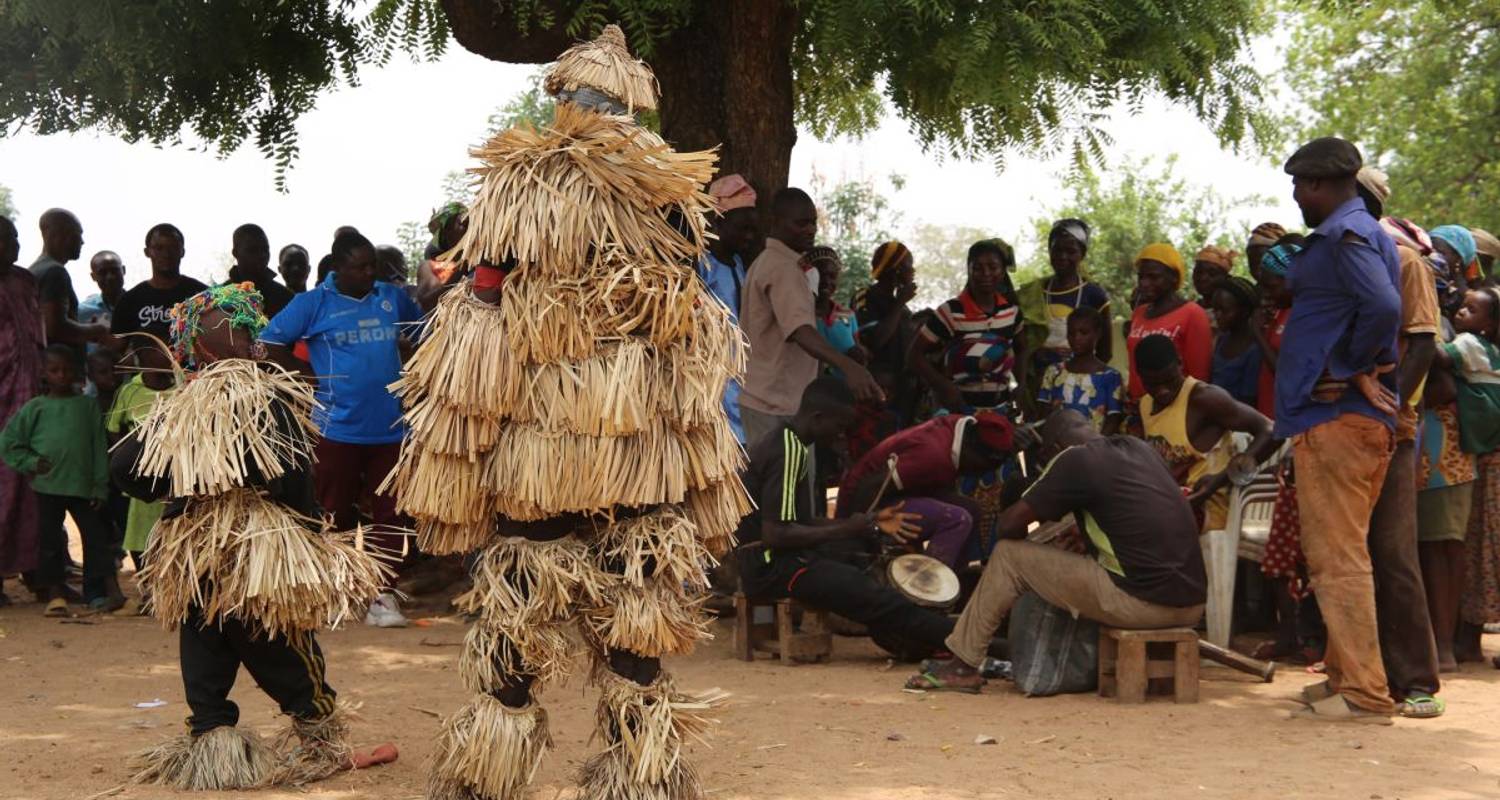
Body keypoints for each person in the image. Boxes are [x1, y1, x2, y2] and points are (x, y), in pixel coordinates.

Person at [112, 284, 395, 788]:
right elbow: (291, 474)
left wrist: (183, 486)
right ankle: (318, 735)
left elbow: (127, 466)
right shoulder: (262, 400)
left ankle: (211, 739)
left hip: (197, 545)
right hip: (258, 546)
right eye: (244, 333)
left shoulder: (180, 407)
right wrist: (307, 528)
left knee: (204, 638)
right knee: (280, 639)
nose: (249, 341)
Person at [905, 410, 1206, 693]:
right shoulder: (1139, 448)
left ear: (1056, 448)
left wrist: (1042, 494)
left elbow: (1008, 527)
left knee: (1009, 556)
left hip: (1142, 603)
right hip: (1192, 604)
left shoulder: (1074, 460)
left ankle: (962, 667)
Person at [1276, 136, 1402, 724]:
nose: (1297, 197)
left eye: (1301, 186)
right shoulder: (1356, 233)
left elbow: (1382, 307)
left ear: (1321, 185)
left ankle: (1365, 694)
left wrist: (1347, 365)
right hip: (1346, 419)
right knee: (1336, 554)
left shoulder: (1345, 233)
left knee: (1339, 560)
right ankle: (1342, 678)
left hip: (1335, 419)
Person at [260, 231, 422, 628]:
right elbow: (268, 343)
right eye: (361, 267)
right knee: (333, 511)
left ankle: (383, 596)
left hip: (391, 427)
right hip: (337, 429)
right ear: (337, 268)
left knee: (392, 513)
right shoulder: (313, 303)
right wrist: (309, 378)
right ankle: (336, 590)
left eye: (373, 266)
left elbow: (421, 334)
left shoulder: (390, 296)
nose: (371, 273)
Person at [738, 377, 958, 657]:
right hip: (772, 569)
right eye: (839, 427)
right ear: (818, 418)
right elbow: (775, 535)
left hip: (779, 561)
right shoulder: (787, 450)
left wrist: (867, 522)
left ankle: (936, 639)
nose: (841, 436)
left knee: (861, 573)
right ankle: (962, 643)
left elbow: (802, 521)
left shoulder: (790, 443)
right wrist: (847, 529)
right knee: (874, 595)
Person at [1355, 172, 1447, 717]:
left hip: (1390, 428)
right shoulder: (1337, 259)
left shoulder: (1404, 261)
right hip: (1338, 427)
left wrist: (1392, 406)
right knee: (1345, 557)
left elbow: (1422, 343)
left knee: (1392, 552)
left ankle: (1416, 680)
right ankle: (1362, 674)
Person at [740, 188, 881, 448]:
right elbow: (800, 331)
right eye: (801, 223)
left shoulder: (772, 262)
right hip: (775, 403)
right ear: (777, 222)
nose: (810, 230)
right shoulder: (783, 268)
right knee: (780, 484)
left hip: (769, 398)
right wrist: (848, 366)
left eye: (813, 222)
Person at [0, 344, 120, 615]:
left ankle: (98, 591)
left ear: (77, 372)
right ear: (44, 374)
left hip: (84, 487)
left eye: (67, 370)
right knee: (50, 542)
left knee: (96, 538)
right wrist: (30, 463)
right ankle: (55, 593)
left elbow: (98, 448)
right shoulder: (35, 408)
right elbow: (9, 441)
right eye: (54, 370)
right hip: (47, 486)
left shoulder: (87, 407)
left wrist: (99, 486)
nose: (62, 375)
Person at [1422, 288, 1500, 672]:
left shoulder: (1465, 343)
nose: (1462, 311)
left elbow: (1437, 362)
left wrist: (1420, 332)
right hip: (1471, 453)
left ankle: (1452, 644)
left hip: (1462, 454)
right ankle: (1458, 641)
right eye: (1461, 307)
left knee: (1458, 547)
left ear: (1489, 324)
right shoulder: (1481, 348)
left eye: (1472, 309)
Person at [835, 410, 1012, 569]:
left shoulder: (965, 426)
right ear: (973, 451)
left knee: (972, 510)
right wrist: (854, 533)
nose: (983, 473)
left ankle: (956, 587)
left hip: (901, 492)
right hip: (862, 500)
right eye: (985, 466)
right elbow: (868, 486)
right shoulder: (932, 455)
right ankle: (928, 592)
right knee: (957, 519)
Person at [1135, 334, 1275, 533]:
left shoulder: (1204, 398)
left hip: (1209, 508)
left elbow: (1270, 431)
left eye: (1169, 381)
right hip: (1169, 504)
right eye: (1152, 384)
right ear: (1139, 375)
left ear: (1180, 364)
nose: (1162, 391)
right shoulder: (1145, 405)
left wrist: (1219, 480)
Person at [104, 342, 178, 613]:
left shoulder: (182, 386)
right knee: (139, 535)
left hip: (173, 473)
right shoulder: (130, 391)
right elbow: (114, 427)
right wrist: (128, 456)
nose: (166, 357)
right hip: (140, 474)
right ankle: (148, 588)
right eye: (157, 352)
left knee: (172, 529)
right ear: (140, 356)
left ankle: (170, 588)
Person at [911, 239, 1027, 412]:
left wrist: (1022, 384)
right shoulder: (950, 312)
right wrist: (943, 386)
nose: (985, 273)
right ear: (969, 270)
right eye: (978, 268)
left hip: (1000, 409)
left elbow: (1022, 348)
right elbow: (914, 355)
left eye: (993, 267)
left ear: (1003, 272)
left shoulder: (1011, 313)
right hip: (957, 411)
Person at [1018, 220, 1111, 409]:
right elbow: (1018, 347)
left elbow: (1105, 352)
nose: (1062, 256)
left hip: (1081, 391)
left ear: (1082, 254)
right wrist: (1040, 353)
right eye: (1057, 250)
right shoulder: (1033, 293)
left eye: (1071, 251)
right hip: (1037, 389)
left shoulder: (1094, 295)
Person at [0, 217, 43, 605]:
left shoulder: (24, 280)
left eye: (16, 237)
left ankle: (37, 571)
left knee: (32, 485)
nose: (14, 244)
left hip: (31, 399)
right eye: (6, 238)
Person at [696, 175, 758, 443]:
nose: (749, 236)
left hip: (743, 371)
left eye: (752, 229)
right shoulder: (702, 264)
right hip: (714, 372)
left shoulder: (737, 263)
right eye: (743, 228)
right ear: (719, 221)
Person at [1125, 243, 1212, 402]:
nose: (1144, 283)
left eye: (1153, 277)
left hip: (1173, 410)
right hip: (1136, 410)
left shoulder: (1192, 314)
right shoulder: (1139, 313)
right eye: (1141, 277)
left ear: (1174, 278)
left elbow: (1199, 378)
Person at [854, 240, 920, 420]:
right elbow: (876, 341)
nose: (913, 271)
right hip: (880, 391)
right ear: (896, 269)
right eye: (909, 265)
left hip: (903, 390)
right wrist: (899, 304)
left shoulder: (901, 307)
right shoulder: (866, 296)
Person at [112, 223, 209, 345]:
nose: (166, 254)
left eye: (173, 247)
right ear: (147, 252)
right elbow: (118, 348)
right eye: (159, 248)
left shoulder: (202, 294)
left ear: (182, 252)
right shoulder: (129, 300)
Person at [31, 208, 110, 352]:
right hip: (59, 369)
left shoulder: (35, 270)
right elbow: (55, 328)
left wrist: (84, 329)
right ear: (58, 235)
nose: (82, 241)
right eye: (77, 234)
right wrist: (98, 329)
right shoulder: (55, 272)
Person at [1036, 307, 1125, 434]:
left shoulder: (1110, 377)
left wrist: (1095, 446)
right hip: (1057, 446)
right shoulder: (1054, 371)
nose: (1076, 338)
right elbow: (1043, 412)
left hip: (1095, 448)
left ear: (1098, 334)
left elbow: (1113, 420)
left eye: (1084, 333)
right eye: (1071, 333)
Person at [1251, 239, 1303, 420]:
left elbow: (1287, 374)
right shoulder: (1280, 310)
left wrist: (1258, 334)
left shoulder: (1307, 317)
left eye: (1270, 287)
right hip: (1270, 415)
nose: (1265, 293)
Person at [1208, 276, 1263, 407]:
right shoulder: (1222, 339)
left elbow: (1249, 400)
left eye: (1224, 310)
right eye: (1215, 309)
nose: (1218, 315)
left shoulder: (1254, 350)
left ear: (1244, 312)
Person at [810, 246, 864, 369]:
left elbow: (857, 349)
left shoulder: (848, 315)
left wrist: (859, 354)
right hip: (810, 386)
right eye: (820, 275)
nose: (826, 281)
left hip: (845, 385)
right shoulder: (801, 313)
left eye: (832, 276)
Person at [225, 224, 294, 318]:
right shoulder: (220, 297)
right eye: (253, 250)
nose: (262, 256)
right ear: (235, 253)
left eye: (265, 250)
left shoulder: (286, 298)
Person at [78, 250, 126, 331]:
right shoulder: (82, 312)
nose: (110, 277)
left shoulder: (140, 305)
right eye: (102, 273)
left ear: (123, 270)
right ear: (93, 277)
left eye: (115, 270)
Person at [1191, 244, 1238, 319]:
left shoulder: (1234, 313)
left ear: (1226, 278)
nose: (1203, 278)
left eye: (1212, 274)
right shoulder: (1189, 310)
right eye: (1199, 272)